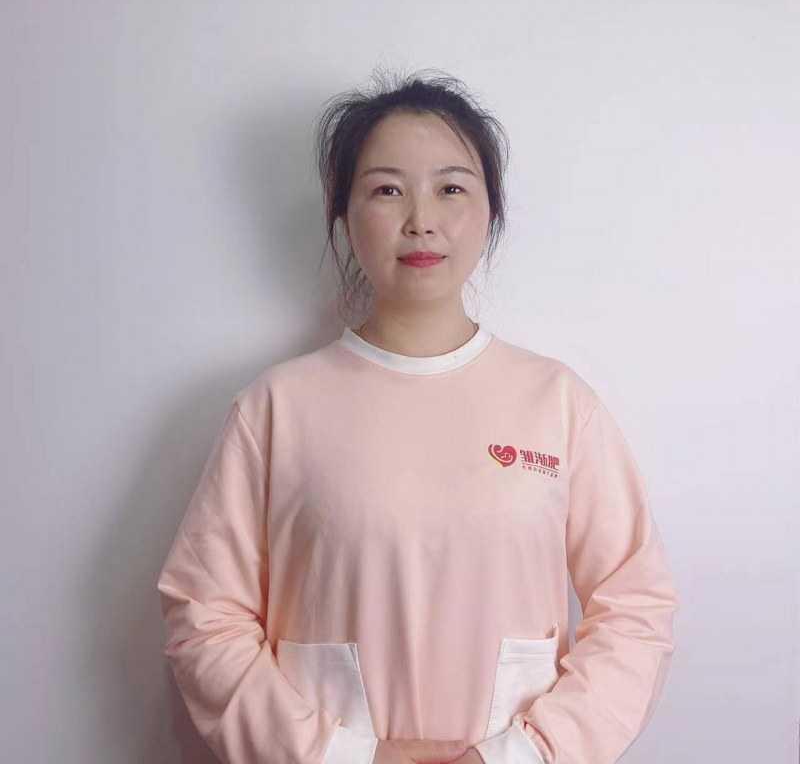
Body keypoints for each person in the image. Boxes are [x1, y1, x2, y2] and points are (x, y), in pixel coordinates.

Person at [156, 68, 680, 764]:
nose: (421, 220)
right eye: (387, 189)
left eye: (451, 188)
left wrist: (522, 754)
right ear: (343, 214)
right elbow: (204, 615)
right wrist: (344, 755)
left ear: (491, 211)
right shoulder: (277, 408)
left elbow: (636, 606)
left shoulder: (557, 403)